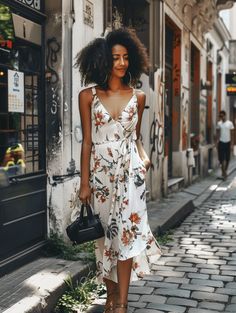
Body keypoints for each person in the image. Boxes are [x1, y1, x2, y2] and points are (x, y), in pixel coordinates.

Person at [76, 28, 161, 313]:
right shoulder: (87, 96)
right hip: (100, 176)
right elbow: (87, 141)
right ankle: (110, 296)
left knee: (126, 238)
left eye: (126, 57)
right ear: (104, 60)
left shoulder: (138, 97)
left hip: (130, 176)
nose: (122, 63)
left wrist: (145, 159)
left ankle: (121, 304)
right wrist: (84, 182)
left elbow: (136, 138)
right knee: (104, 240)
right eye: (116, 58)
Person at [216, 110, 234, 180]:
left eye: (222, 116)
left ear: (225, 115)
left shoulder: (230, 123)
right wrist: (216, 142)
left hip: (228, 142)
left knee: (227, 159)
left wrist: (232, 144)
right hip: (221, 142)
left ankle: (224, 171)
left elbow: (232, 134)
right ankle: (224, 173)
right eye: (220, 116)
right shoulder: (219, 123)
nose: (221, 117)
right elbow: (217, 133)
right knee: (221, 159)